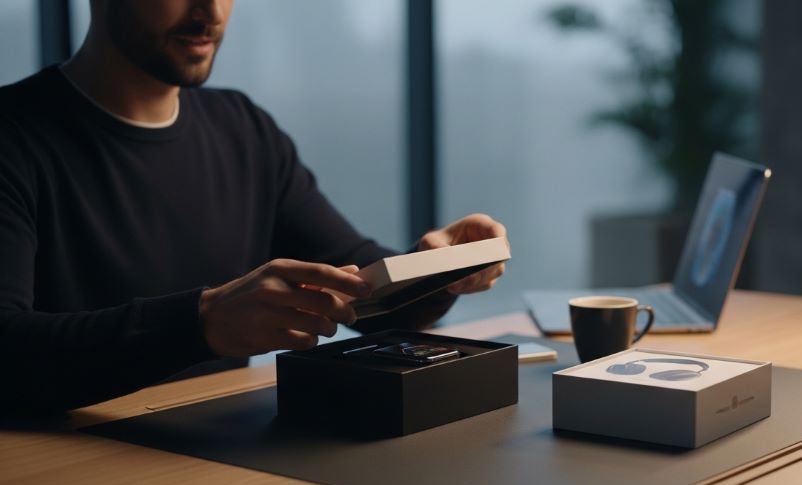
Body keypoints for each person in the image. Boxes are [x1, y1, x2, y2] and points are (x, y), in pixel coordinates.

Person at [0, 0, 507, 413]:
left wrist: (437, 265)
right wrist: (202, 323)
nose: (210, 12)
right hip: (68, 463)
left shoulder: (242, 128)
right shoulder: (14, 137)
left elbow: (359, 294)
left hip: (216, 446)